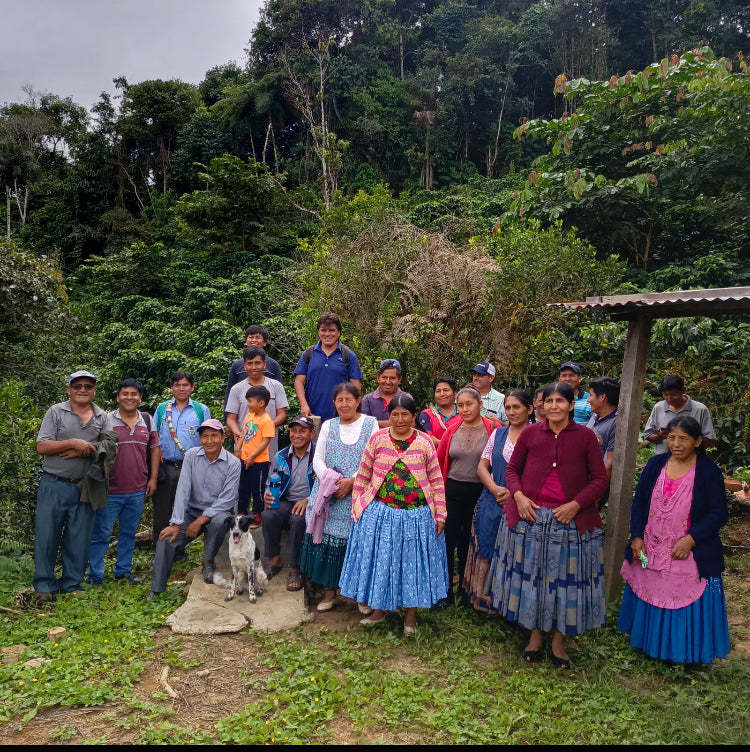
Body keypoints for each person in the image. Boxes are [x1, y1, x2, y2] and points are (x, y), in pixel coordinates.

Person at [487, 381, 609, 668]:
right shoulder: (530, 434)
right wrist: (519, 497)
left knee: (565, 585)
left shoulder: (585, 437)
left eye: (560, 401)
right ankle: (534, 637)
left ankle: (558, 643)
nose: (554, 406)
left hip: (569, 523)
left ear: (570, 405)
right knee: (533, 580)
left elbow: (600, 479)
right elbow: (512, 470)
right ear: (542, 405)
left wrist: (576, 504)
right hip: (531, 519)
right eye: (549, 401)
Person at [618, 416, 729, 664]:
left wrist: (691, 539)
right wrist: (636, 536)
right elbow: (640, 503)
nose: (676, 444)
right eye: (671, 438)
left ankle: (682, 653)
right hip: (652, 544)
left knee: (683, 590)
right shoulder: (656, 464)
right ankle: (648, 643)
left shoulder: (708, 471)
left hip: (688, 550)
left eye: (684, 439)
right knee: (652, 587)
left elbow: (718, 513)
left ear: (698, 441)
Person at [339, 395, 449, 634]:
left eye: (405, 414)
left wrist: (440, 514)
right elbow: (364, 475)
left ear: (414, 416)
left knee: (413, 566)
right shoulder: (378, 439)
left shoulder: (425, 442)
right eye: (395, 414)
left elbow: (436, 480)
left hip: (416, 516)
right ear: (388, 416)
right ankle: (378, 612)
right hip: (381, 515)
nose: (400, 419)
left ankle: (410, 619)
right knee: (382, 562)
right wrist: (357, 506)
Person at [34, 370, 115, 602]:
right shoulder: (56, 412)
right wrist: (70, 442)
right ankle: (44, 586)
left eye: (88, 386)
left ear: (94, 391)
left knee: (79, 537)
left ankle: (71, 583)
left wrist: (85, 448)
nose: (82, 390)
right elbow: (42, 446)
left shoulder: (102, 416)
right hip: (54, 483)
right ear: (69, 389)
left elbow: (110, 447)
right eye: (77, 385)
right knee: (47, 535)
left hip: (86, 485)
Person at [299, 383, 378, 611]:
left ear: (358, 401)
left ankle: (360, 598)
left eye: (349, 400)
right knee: (326, 542)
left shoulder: (370, 424)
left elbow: (371, 460)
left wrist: (351, 481)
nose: (344, 404)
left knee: (357, 545)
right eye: (339, 400)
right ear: (334, 403)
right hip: (327, 496)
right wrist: (333, 484)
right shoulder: (328, 425)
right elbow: (318, 460)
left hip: (359, 493)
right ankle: (329, 594)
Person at [148, 419, 240, 598]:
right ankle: (157, 589)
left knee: (220, 520)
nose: (209, 441)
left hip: (218, 513)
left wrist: (201, 520)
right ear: (199, 439)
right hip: (192, 512)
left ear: (222, 438)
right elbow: (183, 489)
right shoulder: (191, 456)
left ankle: (208, 562)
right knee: (165, 540)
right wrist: (176, 523)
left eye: (214, 436)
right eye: (205, 436)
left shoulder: (233, 463)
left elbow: (226, 500)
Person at [463, 390, 533, 612]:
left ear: (530, 409)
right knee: (488, 544)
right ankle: (485, 599)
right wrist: (493, 488)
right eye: (508, 407)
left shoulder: (537, 436)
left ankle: (511, 605)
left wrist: (515, 495)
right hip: (492, 499)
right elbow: (483, 466)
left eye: (517, 407)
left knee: (516, 552)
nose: (512, 412)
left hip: (523, 503)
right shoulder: (498, 434)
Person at [87, 379, 160, 586]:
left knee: (129, 533)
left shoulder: (147, 419)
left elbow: (155, 448)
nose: (130, 398)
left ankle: (123, 570)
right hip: (110, 489)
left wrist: (153, 478)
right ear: (118, 397)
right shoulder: (106, 419)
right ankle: (95, 575)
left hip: (137, 489)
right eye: (125, 394)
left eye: (134, 394)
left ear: (140, 398)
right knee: (101, 533)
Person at [437, 387, 493, 605]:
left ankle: (467, 589)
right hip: (452, 491)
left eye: (469, 404)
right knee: (448, 541)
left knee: (469, 541)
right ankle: (445, 591)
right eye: (460, 405)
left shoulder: (493, 429)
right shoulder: (452, 429)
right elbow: (441, 461)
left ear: (480, 404)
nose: (465, 409)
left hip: (480, 492)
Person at [151, 371, 211, 546]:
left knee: (186, 508)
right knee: (162, 510)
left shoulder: (201, 410)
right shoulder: (162, 409)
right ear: (171, 388)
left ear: (192, 387)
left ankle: (179, 549)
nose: (181, 388)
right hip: (165, 466)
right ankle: (160, 549)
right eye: (177, 385)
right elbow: (153, 439)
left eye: (185, 385)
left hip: (190, 467)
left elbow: (209, 438)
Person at [262, 415, 317, 592]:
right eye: (294, 430)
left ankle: (295, 568)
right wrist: (268, 495)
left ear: (312, 434)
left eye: (302, 431)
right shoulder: (281, 455)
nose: (297, 435)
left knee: (298, 519)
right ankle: (274, 560)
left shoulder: (319, 455)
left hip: (311, 501)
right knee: (268, 514)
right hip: (287, 500)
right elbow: (271, 482)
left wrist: (309, 500)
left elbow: (327, 485)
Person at [226, 345, 288, 499]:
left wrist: (265, 429)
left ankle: (262, 516)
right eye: (249, 363)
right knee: (242, 487)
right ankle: (241, 518)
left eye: (257, 363)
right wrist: (237, 432)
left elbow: (282, 414)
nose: (254, 367)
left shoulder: (276, 386)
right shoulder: (237, 389)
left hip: (267, 448)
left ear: (264, 364)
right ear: (244, 365)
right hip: (243, 448)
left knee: (265, 485)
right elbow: (231, 418)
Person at [293, 313, 363, 422]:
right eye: (323, 330)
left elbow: (356, 386)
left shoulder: (348, 355)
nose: (327, 334)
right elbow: (298, 381)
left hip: (340, 416)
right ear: (318, 332)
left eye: (331, 330)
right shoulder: (309, 354)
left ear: (339, 333)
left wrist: (353, 410)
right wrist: (304, 405)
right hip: (312, 415)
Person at [643, 374, 716, 454]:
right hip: (664, 461)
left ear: (683, 390)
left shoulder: (700, 409)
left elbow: (710, 441)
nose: (669, 399)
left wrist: (688, 439)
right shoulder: (658, 407)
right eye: (665, 395)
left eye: (673, 395)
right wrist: (660, 436)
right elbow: (648, 435)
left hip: (692, 461)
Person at [237, 385, 275, 526]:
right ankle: (241, 512)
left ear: (261, 403)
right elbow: (244, 433)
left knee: (257, 489)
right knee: (243, 487)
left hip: (259, 462)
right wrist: (238, 449)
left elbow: (265, 442)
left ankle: (257, 513)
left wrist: (252, 457)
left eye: (250, 401)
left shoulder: (266, 420)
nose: (248, 404)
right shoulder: (249, 416)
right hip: (244, 459)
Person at [224, 325, 283, 415]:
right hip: (242, 414)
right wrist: (227, 418)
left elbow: (279, 392)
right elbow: (229, 392)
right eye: (251, 337)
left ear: (264, 342)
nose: (254, 340)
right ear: (245, 341)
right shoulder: (237, 365)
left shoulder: (273, 365)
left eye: (258, 337)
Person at [361, 358, 413, 428]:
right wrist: (396, 424)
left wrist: (375, 423)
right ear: (378, 378)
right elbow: (364, 425)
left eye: (392, 378)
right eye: (384, 377)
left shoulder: (406, 398)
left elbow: (411, 424)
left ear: (399, 380)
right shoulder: (367, 400)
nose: (388, 382)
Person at [586, 377, 620, 480]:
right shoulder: (594, 417)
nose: (588, 400)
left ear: (602, 397)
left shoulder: (616, 423)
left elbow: (609, 463)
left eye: (591, 395)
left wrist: (596, 490)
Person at [419, 376, 461, 448]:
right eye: (438, 391)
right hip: (434, 458)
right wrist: (455, 444)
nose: (442, 394)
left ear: (455, 394)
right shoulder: (426, 414)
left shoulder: (463, 413)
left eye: (446, 390)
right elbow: (428, 440)